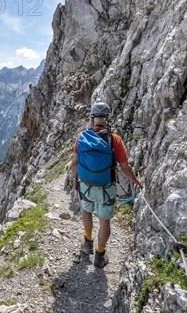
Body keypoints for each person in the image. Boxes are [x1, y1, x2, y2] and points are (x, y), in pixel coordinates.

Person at [71, 101, 143, 267]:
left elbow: (74, 163)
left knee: (86, 211)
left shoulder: (81, 137)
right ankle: (100, 255)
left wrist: (75, 181)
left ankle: (87, 243)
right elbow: (125, 167)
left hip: (86, 185)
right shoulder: (114, 140)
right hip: (106, 188)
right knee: (104, 221)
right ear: (107, 119)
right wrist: (137, 182)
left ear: (92, 118)